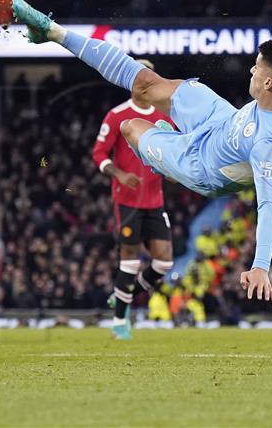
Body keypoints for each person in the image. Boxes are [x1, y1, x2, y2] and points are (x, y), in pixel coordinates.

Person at [11, 0, 272, 306]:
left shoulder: (270, 147)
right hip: (222, 120)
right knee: (145, 82)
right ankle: (51, 32)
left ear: (269, 83)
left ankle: (162, 154)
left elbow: (269, 206)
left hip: (203, 165)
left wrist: (260, 268)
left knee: (130, 127)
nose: (252, 70)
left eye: (257, 67)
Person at [91, 59, 175, 340]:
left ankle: (122, 296)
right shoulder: (116, 116)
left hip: (155, 200)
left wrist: (176, 172)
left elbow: (174, 153)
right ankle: (119, 322)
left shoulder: (164, 118)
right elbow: (99, 154)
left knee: (163, 263)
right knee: (129, 261)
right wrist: (119, 174)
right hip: (127, 200)